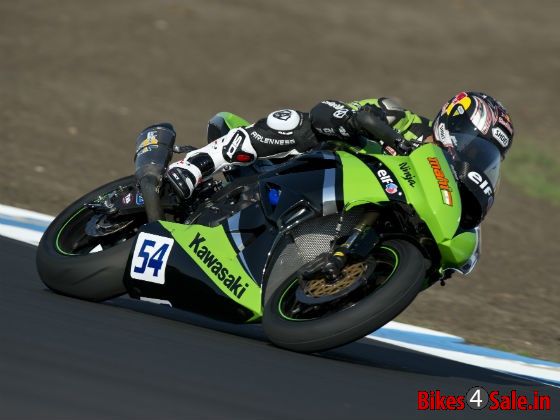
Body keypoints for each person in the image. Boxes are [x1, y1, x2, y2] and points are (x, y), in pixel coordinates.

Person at [164, 91, 514, 226]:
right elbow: (334, 111)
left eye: (482, 157)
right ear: (451, 122)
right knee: (295, 121)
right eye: (471, 146)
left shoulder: (446, 190)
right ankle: (195, 165)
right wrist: (365, 126)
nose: (469, 157)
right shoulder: (402, 120)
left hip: (338, 215)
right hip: (307, 172)